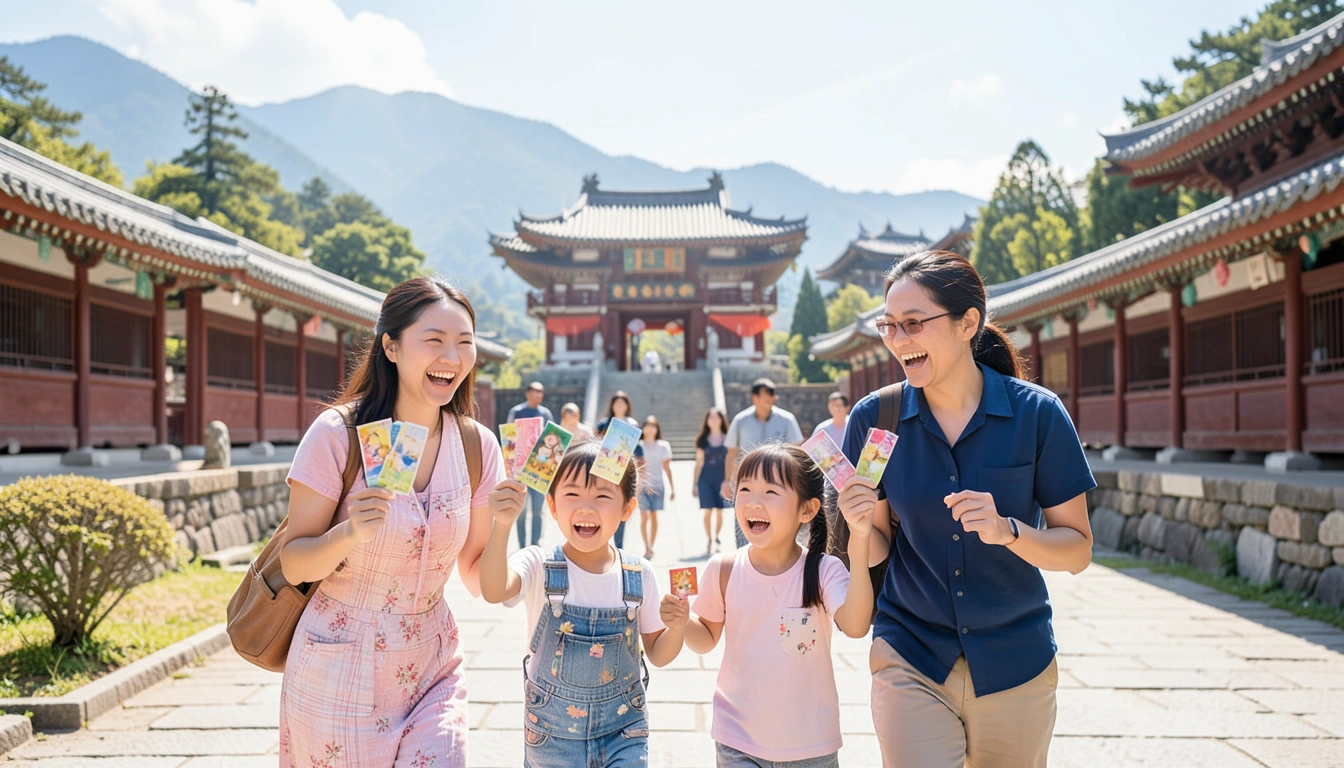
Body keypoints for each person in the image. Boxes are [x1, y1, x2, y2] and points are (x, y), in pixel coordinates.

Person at [837, 250, 1095, 768]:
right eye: (890, 326)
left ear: (967, 323)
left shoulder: (1038, 415)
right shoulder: (876, 420)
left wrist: (1009, 531)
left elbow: (1077, 550)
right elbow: (877, 546)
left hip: (1016, 662)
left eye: (913, 323)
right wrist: (859, 528)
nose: (898, 340)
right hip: (910, 653)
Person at [277, 277, 504, 767]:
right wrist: (348, 532)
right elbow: (292, 564)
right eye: (435, 340)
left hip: (432, 664)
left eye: (464, 343)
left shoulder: (476, 447)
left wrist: (506, 525)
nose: (452, 356)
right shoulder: (338, 435)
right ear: (391, 346)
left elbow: (479, 577)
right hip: (337, 662)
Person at [480, 439, 689, 768]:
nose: (586, 508)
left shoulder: (639, 573)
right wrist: (502, 525)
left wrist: (676, 628)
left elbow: (659, 654)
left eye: (603, 496)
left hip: (624, 731)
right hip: (552, 738)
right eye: (572, 494)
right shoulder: (538, 563)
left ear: (627, 509)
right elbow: (494, 590)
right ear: (551, 505)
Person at [685, 444, 874, 767]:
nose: (753, 502)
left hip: (811, 745)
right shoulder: (723, 569)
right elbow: (704, 639)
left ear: (807, 510)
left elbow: (856, 626)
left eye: (771, 491)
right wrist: (680, 622)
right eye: (745, 489)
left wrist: (860, 536)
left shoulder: (823, 571)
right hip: (737, 739)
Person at [720, 378, 804, 547]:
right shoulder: (740, 420)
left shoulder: (787, 419)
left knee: (781, 528)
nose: (770, 399)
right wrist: (728, 480)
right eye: (766, 395)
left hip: (779, 484)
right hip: (747, 482)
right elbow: (732, 452)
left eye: (772, 395)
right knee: (745, 523)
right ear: (755, 398)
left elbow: (797, 452)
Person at [507, 381, 554, 549]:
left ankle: (535, 545)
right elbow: (509, 440)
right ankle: (521, 546)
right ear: (527, 393)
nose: (539, 395)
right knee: (521, 511)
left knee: (537, 509)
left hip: (539, 469)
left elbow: (552, 441)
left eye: (541, 391)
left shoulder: (545, 413)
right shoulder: (516, 412)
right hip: (520, 470)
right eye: (535, 391)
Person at [596, 391, 642, 550]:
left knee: (621, 508)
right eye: (617, 403)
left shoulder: (633, 424)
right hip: (604, 470)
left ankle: (619, 546)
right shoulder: (603, 424)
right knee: (603, 505)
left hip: (624, 472)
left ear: (627, 406)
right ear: (612, 405)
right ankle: (601, 542)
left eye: (623, 403)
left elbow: (638, 450)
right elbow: (595, 444)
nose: (620, 406)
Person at [692, 408, 731, 554]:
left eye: (716, 417)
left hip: (722, 479)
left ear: (721, 419)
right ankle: (709, 539)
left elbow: (733, 460)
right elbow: (698, 463)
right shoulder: (702, 440)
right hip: (705, 479)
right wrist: (694, 484)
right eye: (711, 417)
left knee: (720, 511)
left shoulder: (728, 438)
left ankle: (717, 536)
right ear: (706, 421)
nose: (714, 420)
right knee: (707, 510)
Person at [637, 416, 674, 560]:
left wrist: (672, 488)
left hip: (658, 485)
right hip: (642, 486)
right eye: (647, 425)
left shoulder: (663, 445)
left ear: (657, 429)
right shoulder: (638, 445)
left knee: (654, 517)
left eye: (653, 426)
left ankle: (651, 546)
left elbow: (667, 468)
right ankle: (646, 546)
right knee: (644, 516)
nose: (650, 429)